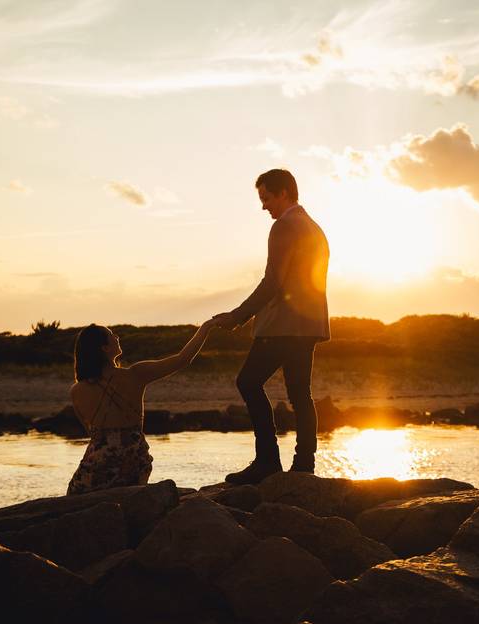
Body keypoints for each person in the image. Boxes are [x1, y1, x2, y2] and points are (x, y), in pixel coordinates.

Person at [213, 168, 330, 484]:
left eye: (266, 198)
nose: (264, 206)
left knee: (248, 383)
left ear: (283, 193)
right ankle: (304, 465)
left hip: (282, 325)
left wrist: (238, 316)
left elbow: (272, 283)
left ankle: (267, 461)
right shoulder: (314, 228)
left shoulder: (284, 227)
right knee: (300, 393)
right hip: (309, 324)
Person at [66, 319, 216, 494]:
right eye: (111, 335)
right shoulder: (136, 374)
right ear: (104, 348)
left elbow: (94, 436)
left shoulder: (77, 390)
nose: (117, 337)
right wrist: (206, 327)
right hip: (135, 461)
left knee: (72, 495)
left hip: (99, 465)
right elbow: (182, 359)